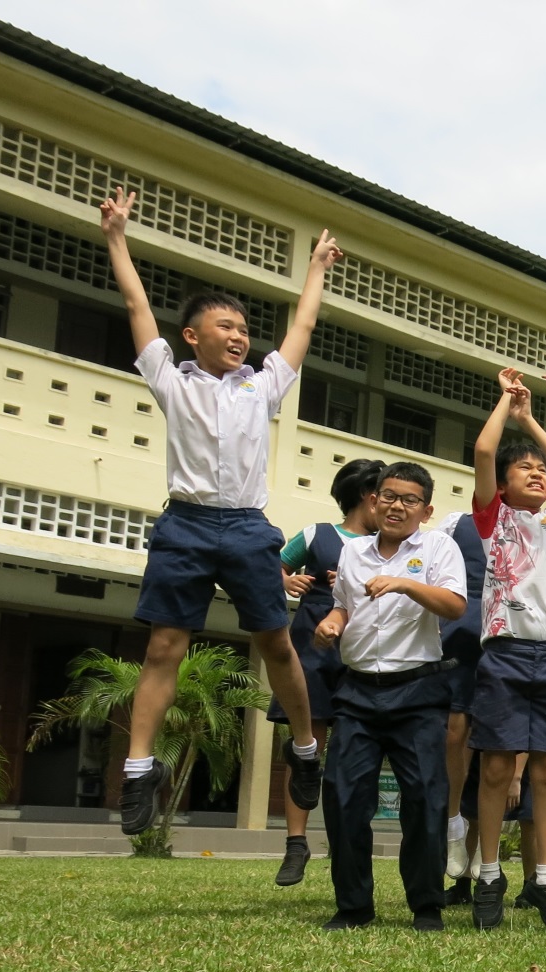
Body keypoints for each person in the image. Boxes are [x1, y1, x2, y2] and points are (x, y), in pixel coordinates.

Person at [99, 186, 342, 835]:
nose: (238, 335)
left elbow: (303, 329)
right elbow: (135, 304)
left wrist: (315, 272)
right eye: (225, 327)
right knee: (164, 647)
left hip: (244, 526)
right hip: (185, 523)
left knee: (273, 643)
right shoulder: (169, 379)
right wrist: (117, 239)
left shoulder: (261, 387)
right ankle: (137, 770)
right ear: (192, 336)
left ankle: (305, 746)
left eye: (242, 328)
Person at [311, 462, 466, 931]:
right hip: (357, 691)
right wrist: (332, 624)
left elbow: (455, 605)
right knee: (342, 795)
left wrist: (404, 582)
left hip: (417, 690)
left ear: (426, 509)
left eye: (409, 500)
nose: (397, 506)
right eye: (389, 496)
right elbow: (343, 605)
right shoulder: (354, 552)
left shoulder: (439, 546)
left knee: (424, 798)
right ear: (373, 500)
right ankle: (353, 906)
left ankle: (426, 905)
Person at [467, 362, 546, 931]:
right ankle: (489, 873)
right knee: (494, 770)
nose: (537, 474)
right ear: (506, 484)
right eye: (525, 469)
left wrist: (536, 421)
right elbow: (484, 452)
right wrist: (506, 404)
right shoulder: (493, 520)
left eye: (541, 469)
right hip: (505, 653)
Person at [268, 458, 384, 887]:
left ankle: (345, 838)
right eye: (383, 495)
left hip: (365, 647)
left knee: (352, 752)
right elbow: (273, 564)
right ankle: (296, 843)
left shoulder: (389, 544)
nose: (389, 504)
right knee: (306, 745)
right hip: (313, 646)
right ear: (365, 496)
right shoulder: (318, 534)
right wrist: (285, 582)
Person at [436, 501, 488, 898]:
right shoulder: (458, 523)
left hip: (511, 636)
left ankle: (482, 857)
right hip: (459, 634)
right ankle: (453, 825)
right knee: (456, 733)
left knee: (495, 754)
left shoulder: (542, 523)